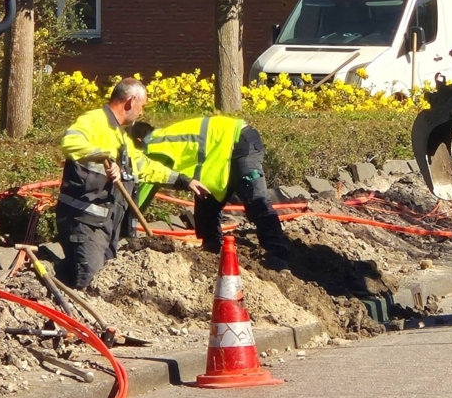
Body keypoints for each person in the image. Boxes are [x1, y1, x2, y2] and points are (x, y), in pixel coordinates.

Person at [56, 78, 207, 289]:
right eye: (141, 106)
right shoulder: (93, 121)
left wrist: (184, 180)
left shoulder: (121, 136)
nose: (141, 112)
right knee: (90, 281)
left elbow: (144, 166)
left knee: (104, 282)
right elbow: (70, 142)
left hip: (108, 226)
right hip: (84, 222)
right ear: (130, 101)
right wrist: (104, 156)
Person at [129, 115, 291, 272]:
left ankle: (278, 252)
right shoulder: (166, 137)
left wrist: (129, 216)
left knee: (255, 198)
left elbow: (147, 181)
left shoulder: (153, 143)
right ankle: (212, 251)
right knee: (206, 204)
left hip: (239, 140)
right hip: (220, 155)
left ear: (138, 140)